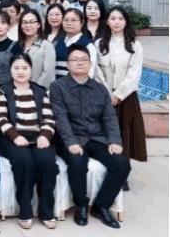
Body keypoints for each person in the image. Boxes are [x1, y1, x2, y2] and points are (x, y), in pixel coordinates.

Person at [50, 45, 130, 229]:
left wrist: (115, 141)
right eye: (75, 59)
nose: (80, 63)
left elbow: (109, 118)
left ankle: (101, 206)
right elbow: (60, 118)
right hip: (69, 139)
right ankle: (81, 204)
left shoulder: (100, 89)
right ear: (68, 64)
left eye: (84, 59)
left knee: (121, 163)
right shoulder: (58, 87)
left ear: (90, 64)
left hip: (96, 139)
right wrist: (70, 142)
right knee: (78, 162)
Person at [0, 54, 57, 230]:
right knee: (24, 161)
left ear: (31, 70)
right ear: (10, 70)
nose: (21, 72)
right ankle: (25, 210)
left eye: (24, 68)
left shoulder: (41, 91)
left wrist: (45, 135)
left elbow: (49, 118)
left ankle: (47, 211)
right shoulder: (2, 91)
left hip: (38, 137)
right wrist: (15, 136)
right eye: (16, 68)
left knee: (47, 162)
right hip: (12, 138)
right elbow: (1, 119)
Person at [95, 6, 147, 190]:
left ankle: (122, 175)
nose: (116, 22)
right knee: (105, 136)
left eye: (120, 19)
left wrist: (118, 94)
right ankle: (108, 170)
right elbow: (96, 71)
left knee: (125, 137)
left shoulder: (134, 45)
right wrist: (107, 93)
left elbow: (134, 74)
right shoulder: (99, 43)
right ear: (107, 22)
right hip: (104, 98)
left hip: (126, 98)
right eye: (113, 18)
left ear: (126, 22)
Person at [18, 9, 56, 89]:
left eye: (32, 22)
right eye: (24, 22)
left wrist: (36, 91)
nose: (28, 25)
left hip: (39, 92)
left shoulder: (46, 46)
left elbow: (48, 73)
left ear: (39, 24)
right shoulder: (17, 46)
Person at [55, 8, 96, 79]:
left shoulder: (88, 45)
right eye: (66, 20)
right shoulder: (57, 42)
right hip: (56, 84)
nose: (69, 23)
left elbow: (90, 72)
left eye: (73, 20)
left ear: (82, 23)